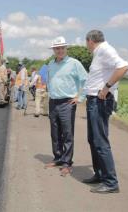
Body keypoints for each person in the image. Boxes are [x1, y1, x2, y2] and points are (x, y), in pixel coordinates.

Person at [82, 30, 128, 193]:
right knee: (93, 139)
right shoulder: (99, 52)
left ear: (90, 40)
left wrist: (107, 87)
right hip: (93, 100)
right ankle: (100, 174)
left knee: (100, 141)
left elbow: (123, 66)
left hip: (99, 101)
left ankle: (111, 182)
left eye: (85, 42)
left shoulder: (105, 49)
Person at [45, 36, 88, 177]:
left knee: (67, 134)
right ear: (53, 50)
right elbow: (50, 81)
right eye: (57, 48)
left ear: (66, 49)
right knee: (55, 133)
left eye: (62, 48)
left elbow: (86, 80)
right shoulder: (50, 64)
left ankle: (67, 163)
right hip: (53, 102)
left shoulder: (74, 63)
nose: (60, 50)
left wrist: (80, 97)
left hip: (67, 103)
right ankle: (58, 158)